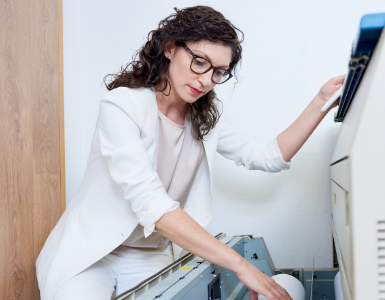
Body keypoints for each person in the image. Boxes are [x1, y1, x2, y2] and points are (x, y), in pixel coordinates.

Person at [36, 6, 344, 300]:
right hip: (92, 253)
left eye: (219, 72)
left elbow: (267, 156)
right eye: (199, 61)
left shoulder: (204, 120)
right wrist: (240, 264)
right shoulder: (122, 106)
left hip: (149, 256)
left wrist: (320, 101)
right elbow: (152, 203)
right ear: (170, 48)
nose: (206, 80)